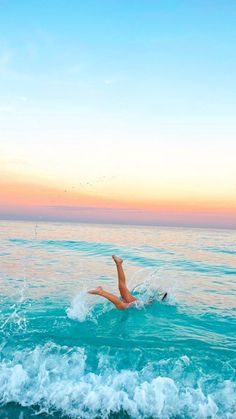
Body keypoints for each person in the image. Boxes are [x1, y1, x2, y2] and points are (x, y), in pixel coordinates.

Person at [88, 255, 167, 310]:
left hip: (138, 301)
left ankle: (119, 264)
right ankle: (101, 292)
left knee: (122, 288)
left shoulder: (151, 301)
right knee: (121, 305)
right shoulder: (152, 302)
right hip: (138, 303)